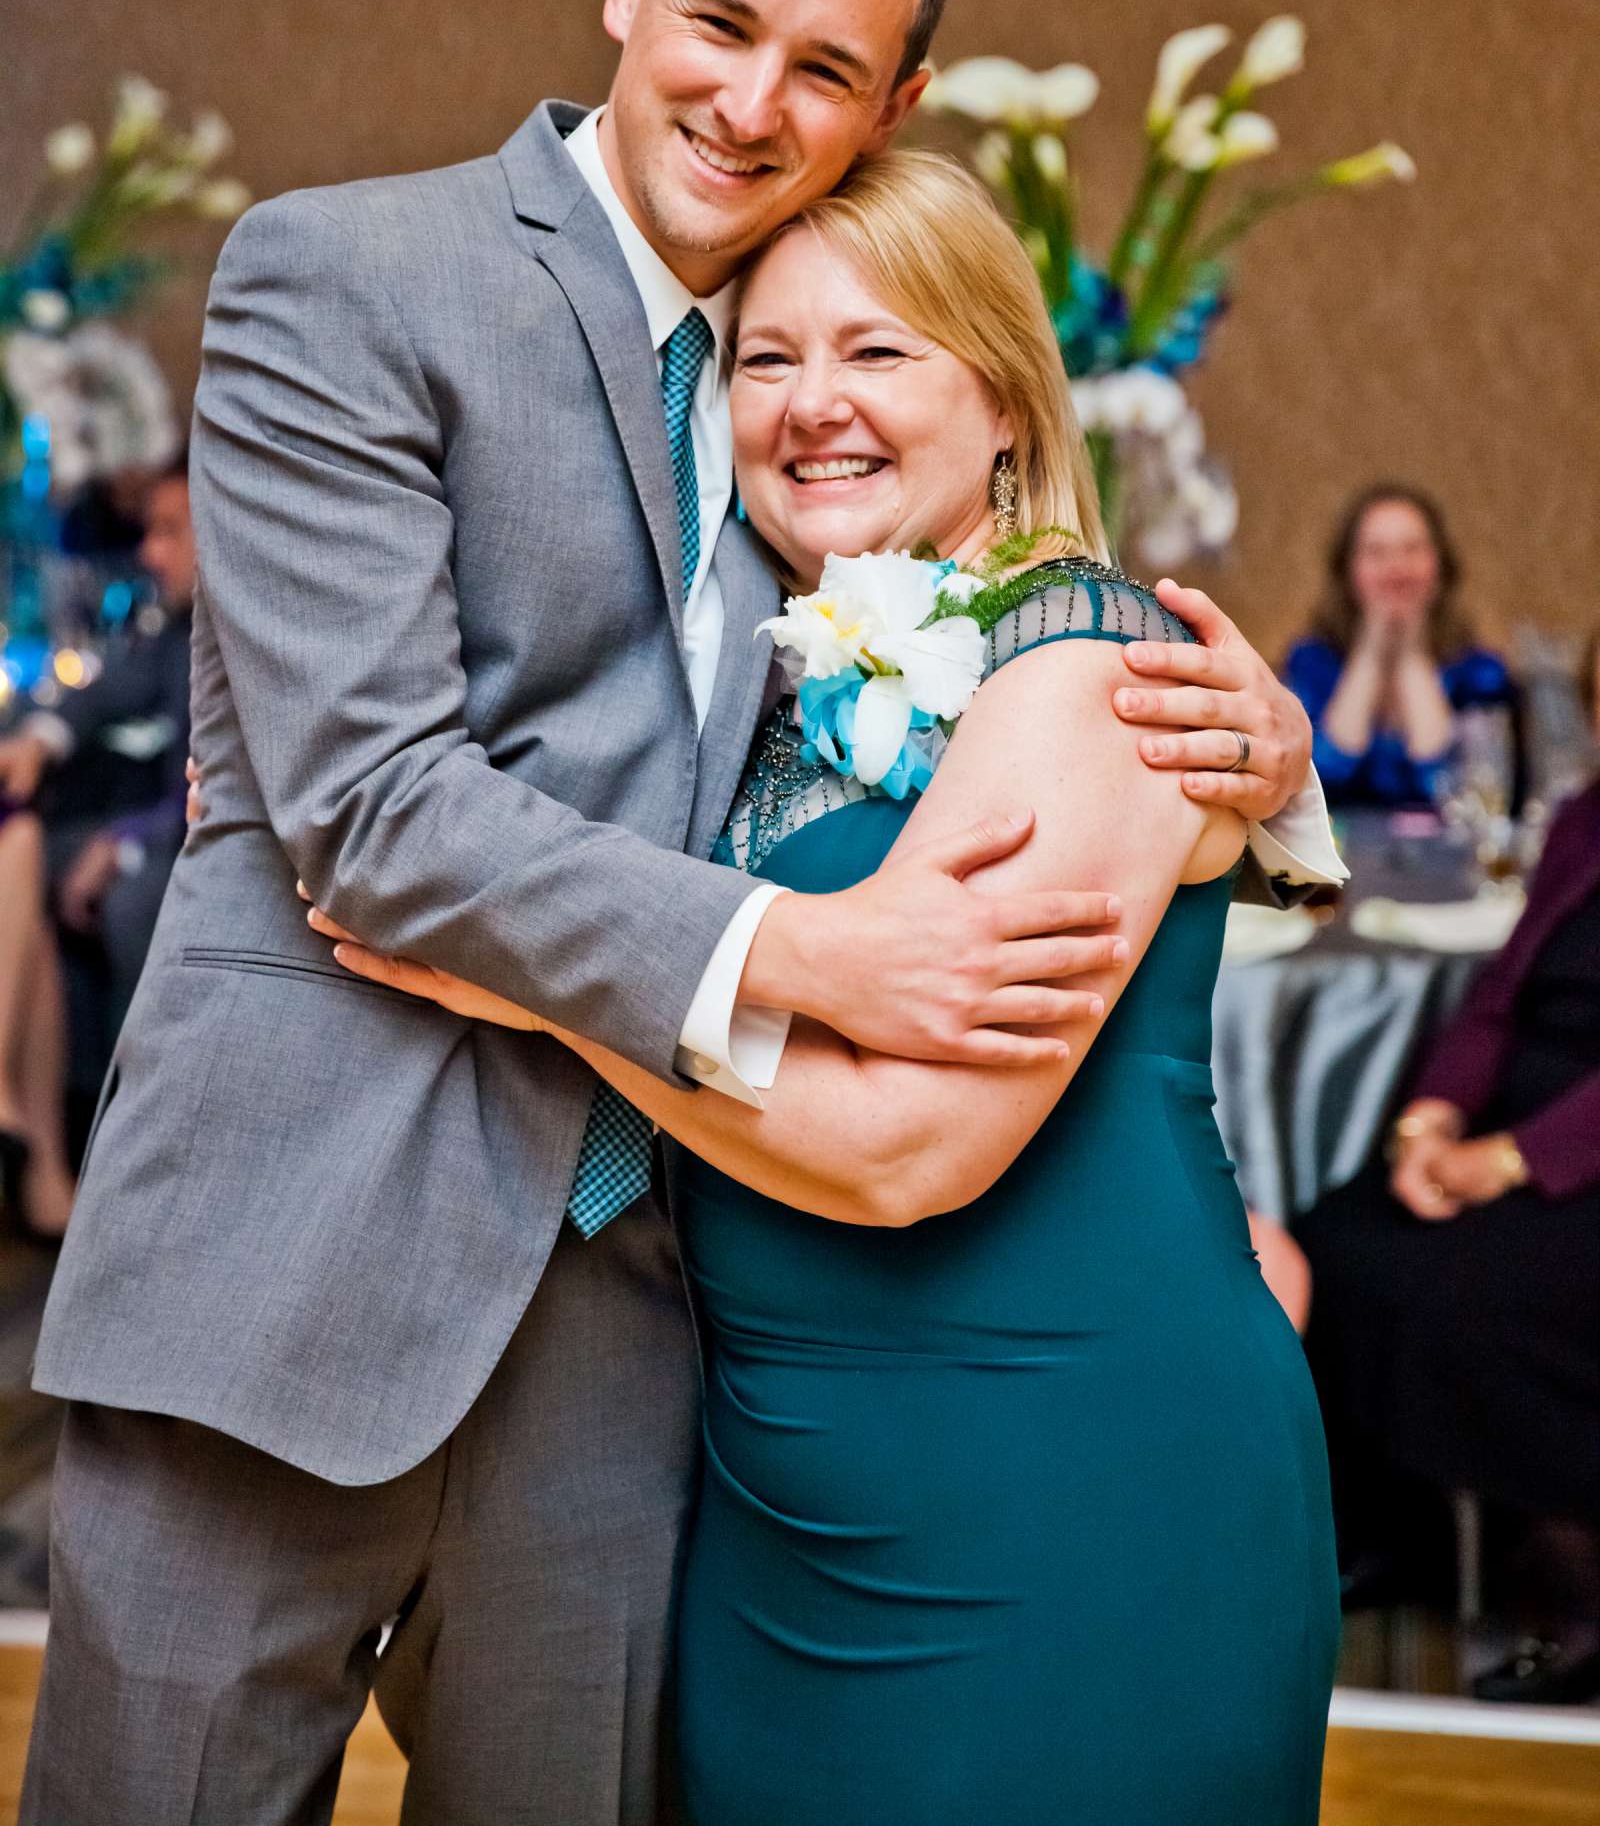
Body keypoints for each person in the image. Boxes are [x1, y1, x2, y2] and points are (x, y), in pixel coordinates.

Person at [23, 0, 1341, 1826]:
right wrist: (815, 950)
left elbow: (1037, 696)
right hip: (299, 1251)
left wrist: (1276, 771)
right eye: (718, 21)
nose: (749, 99)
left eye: (823, 67)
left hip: (646, 1342)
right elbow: (369, 809)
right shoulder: (351, 272)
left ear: (889, 103)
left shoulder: (824, 436)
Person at [313, 149, 1340, 1825]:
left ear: (1006, 399)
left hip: (1066, 1486)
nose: (812, 405)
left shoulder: (1087, 661)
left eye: (880, 351)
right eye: (768, 359)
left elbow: (905, 1154)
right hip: (775, 1507)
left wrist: (556, 990)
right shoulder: (737, 679)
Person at [1296, 636, 1600, 1702]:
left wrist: (1508, 1162)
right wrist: (1431, 1123)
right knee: (1335, 1241)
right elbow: (1498, 1000)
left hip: (1578, 1152)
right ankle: (1397, 1530)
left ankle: (1574, 1572)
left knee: (1471, 1296)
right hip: (1513, 1120)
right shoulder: (1580, 819)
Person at [0, 453, 196, 1238]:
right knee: (23, 848)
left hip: (192, 833)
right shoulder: (169, 627)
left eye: (170, 532)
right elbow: (101, 688)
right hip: (155, 817)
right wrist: (42, 739)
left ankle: (128, 1175)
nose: (149, 551)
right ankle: (45, 1165)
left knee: (84, 874)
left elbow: (229, 784)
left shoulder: (249, 626)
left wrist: (128, 841)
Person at [1285, 484, 1518, 810]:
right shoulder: (1312, 664)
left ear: (1441, 567)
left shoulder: (1479, 674)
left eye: (1412, 550)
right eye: (1376, 552)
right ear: (1348, 570)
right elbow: (1321, 780)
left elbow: (1454, 791)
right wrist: (1370, 650)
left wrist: (1412, 655)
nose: (1396, 568)